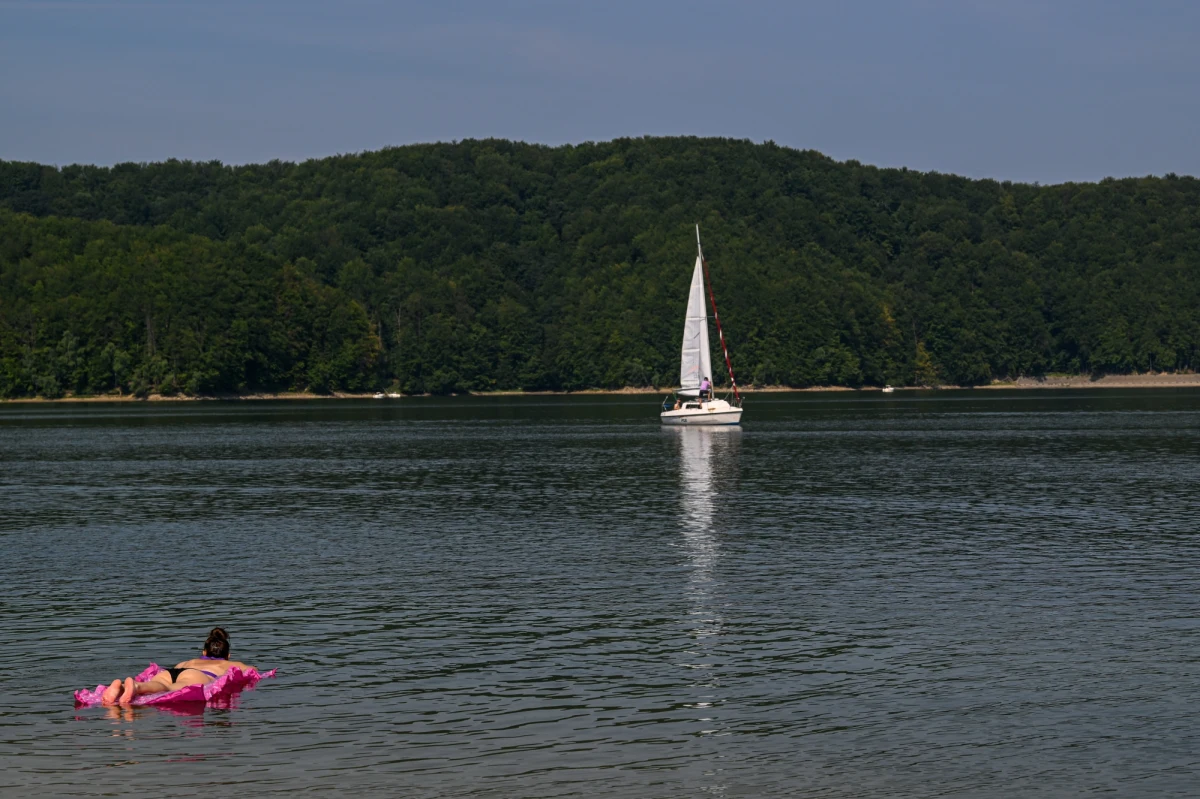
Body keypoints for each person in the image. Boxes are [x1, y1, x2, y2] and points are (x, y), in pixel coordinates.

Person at [100, 627, 258, 706]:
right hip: (197, 675)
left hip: (175, 670)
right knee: (169, 690)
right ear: (228, 655)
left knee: (161, 684)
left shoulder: (190, 661)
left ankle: (126, 687)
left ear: (203, 652)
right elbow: (253, 672)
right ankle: (135, 687)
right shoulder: (231, 663)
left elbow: (178, 669)